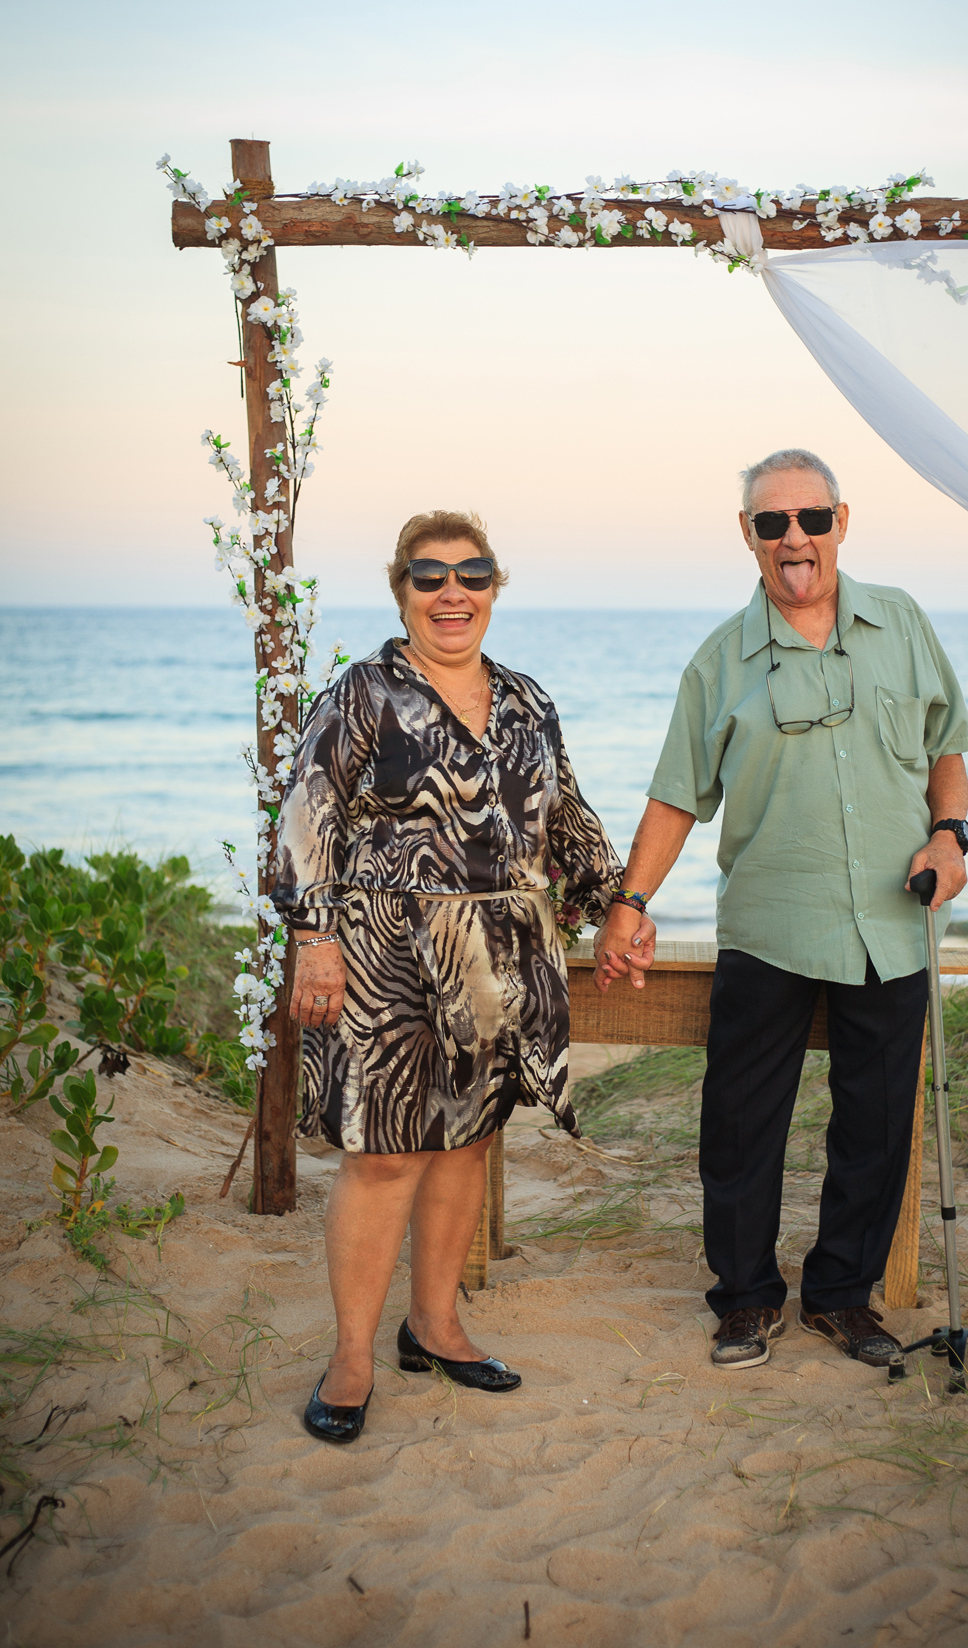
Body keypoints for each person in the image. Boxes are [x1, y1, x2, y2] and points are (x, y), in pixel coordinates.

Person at [593, 449, 968, 1371]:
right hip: (769, 925)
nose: (793, 538)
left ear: (843, 520)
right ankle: (747, 1299)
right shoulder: (718, 662)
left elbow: (947, 747)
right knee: (738, 1125)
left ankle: (841, 1297)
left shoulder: (906, 624)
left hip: (894, 924)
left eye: (810, 518)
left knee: (878, 1126)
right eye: (773, 523)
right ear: (748, 536)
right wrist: (630, 902)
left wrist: (952, 837)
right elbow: (677, 796)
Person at [273, 509, 627, 1443]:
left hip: (501, 957)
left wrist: (615, 903)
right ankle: (352, 1355)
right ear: (402, 592)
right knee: (386, 1152)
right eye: (430, 578)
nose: (452, 593)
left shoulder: (527, 700)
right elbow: (306, 812)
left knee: (466, 1143)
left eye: (470, 575)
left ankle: (432, 1323)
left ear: (494, 587)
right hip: (386, 955)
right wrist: (312, 936)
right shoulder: (361, 694)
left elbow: (568, 813)